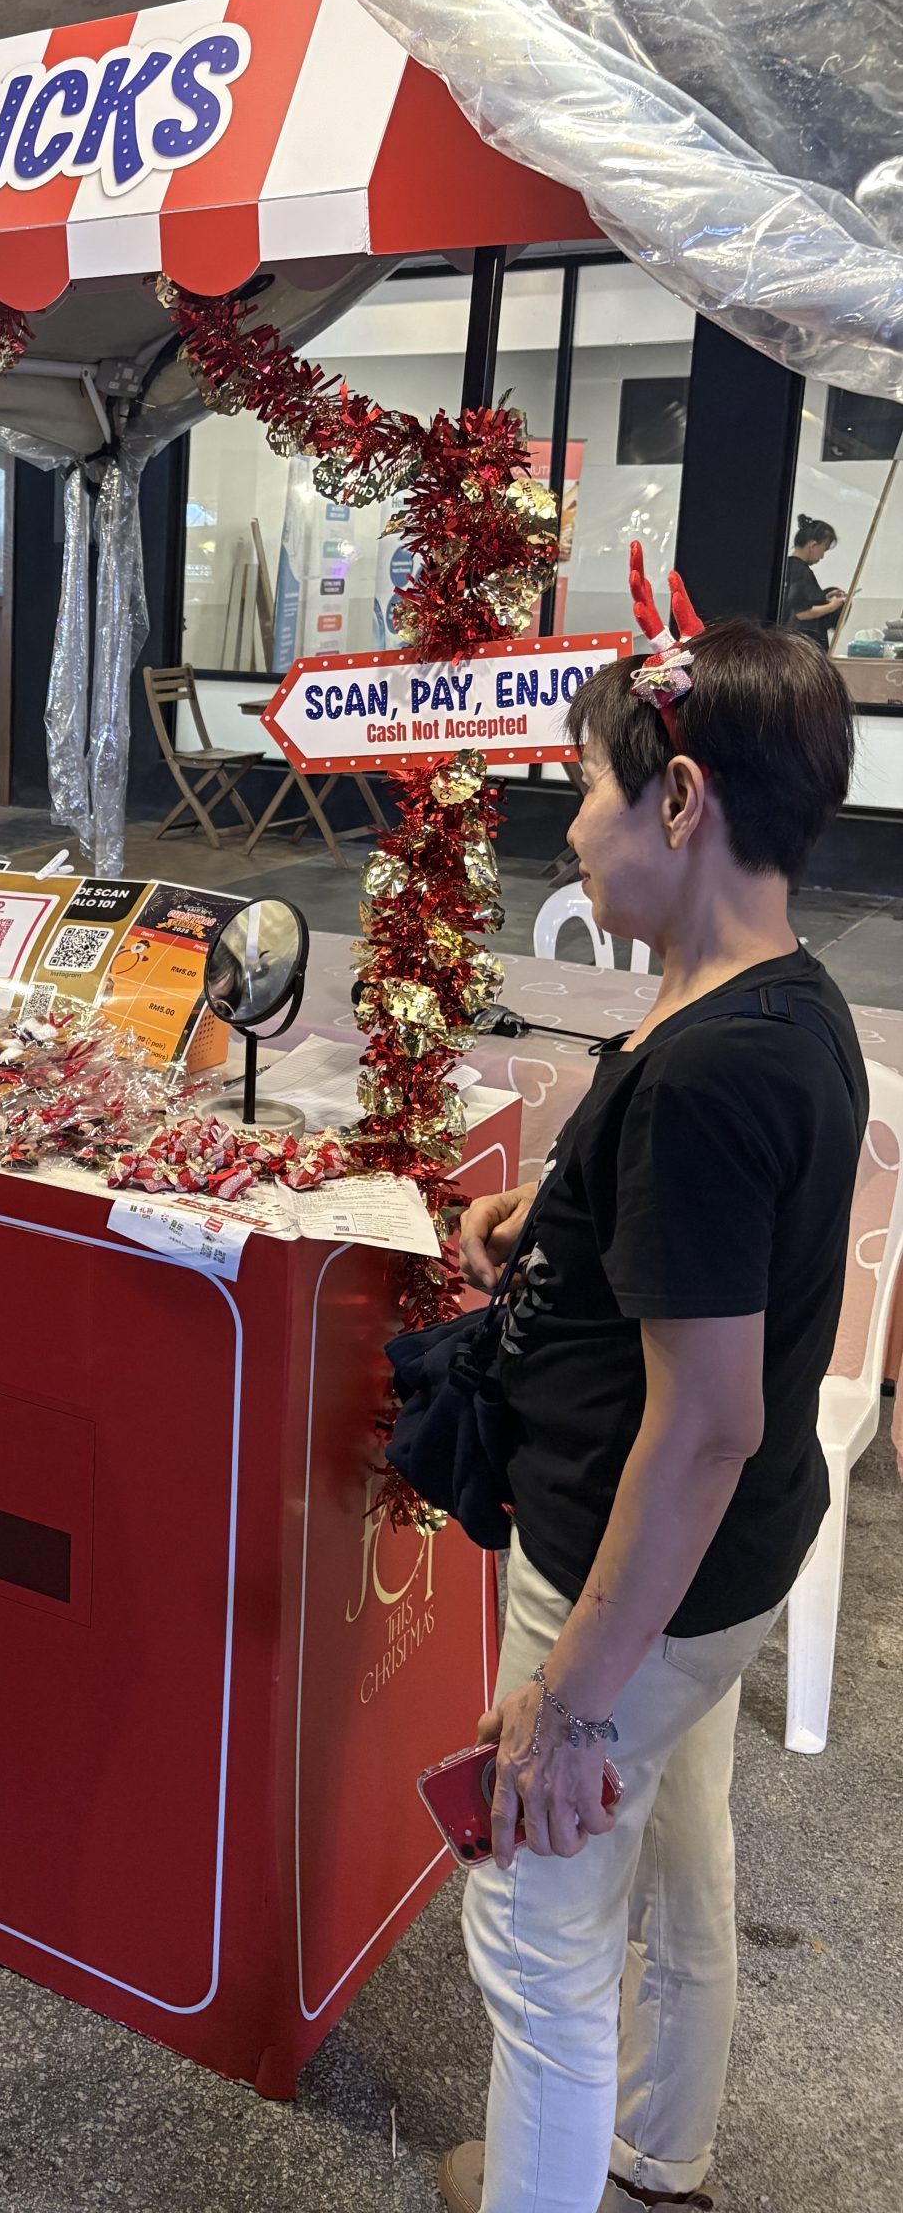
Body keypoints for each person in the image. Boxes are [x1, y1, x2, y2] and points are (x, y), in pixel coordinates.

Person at [438, 621, 863, 2213]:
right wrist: (552, 1226)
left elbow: (703, 1426)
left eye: (587, 789)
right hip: (727, 1566)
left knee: (536, 1934)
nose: (569, 829)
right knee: (683, 1842)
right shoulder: (780, 1002)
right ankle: (657, 2157)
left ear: (680, 799)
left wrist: (565, 1700)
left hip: (634, 1566)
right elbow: (710, 1259)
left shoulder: (707, 1076)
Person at [779, 514, 845, 640]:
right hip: (801, 641)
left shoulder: (788, 565)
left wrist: (825, 598)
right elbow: (801, 612)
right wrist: (833, 605)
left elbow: (802, 600)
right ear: (813, 545)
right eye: (823, 550)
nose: (822, 556)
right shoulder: (800, 571)